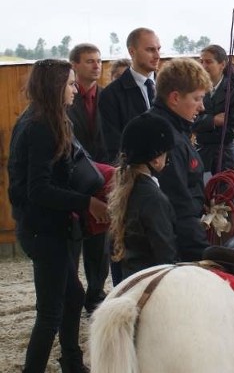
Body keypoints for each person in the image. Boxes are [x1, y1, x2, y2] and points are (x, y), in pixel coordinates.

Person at [8, 59, 108, 373]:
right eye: (68, 84)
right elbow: (39, 189)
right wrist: (86, 202)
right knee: (50, 314)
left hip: (54, 226)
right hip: (43, 230)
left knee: (74, 296)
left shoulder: (49, 119)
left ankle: (72, 363)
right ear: (54, 88)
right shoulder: (39, 126)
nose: (75, 89)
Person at [149, 57, 211, 261]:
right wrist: (204, 254)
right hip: (175, 244)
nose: (202, 107)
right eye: (197, 99)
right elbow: (178, 202)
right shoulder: (167, 137)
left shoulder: (174, 128)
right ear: (175, 98)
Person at [108, 113, 178, 279]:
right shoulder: (153, 198)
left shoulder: (126, 190)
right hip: (151, 283)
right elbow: (165, 253)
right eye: (165, 153)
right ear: (155, 160)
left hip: (130, 278)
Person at [67, 43, 110, 314]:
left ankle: (95, 293)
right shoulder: (65, 101)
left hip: (104, 177)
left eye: (98, 61)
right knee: (71, 242)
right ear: (75, 66)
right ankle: (69, 293)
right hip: (73, 178)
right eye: (89, 61)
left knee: (100, 243)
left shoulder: (108, 98)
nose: (96, 65)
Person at [99, 27, 161, 163]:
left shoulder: (169, 87)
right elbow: (114, 146)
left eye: (158, 49)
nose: (157, 55)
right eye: (150, 50)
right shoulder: (111, 95)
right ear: (132, 51)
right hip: (135, 173)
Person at [193, 44, 234, 182]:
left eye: (209, 62)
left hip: (227, 156)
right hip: (201, 153)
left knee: (227, 201)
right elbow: (190, 122)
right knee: (203, 200)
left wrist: (203, 126)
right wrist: (213, 120)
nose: (204, 65)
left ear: (222, 64)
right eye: (201, 61)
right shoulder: (194, 89)